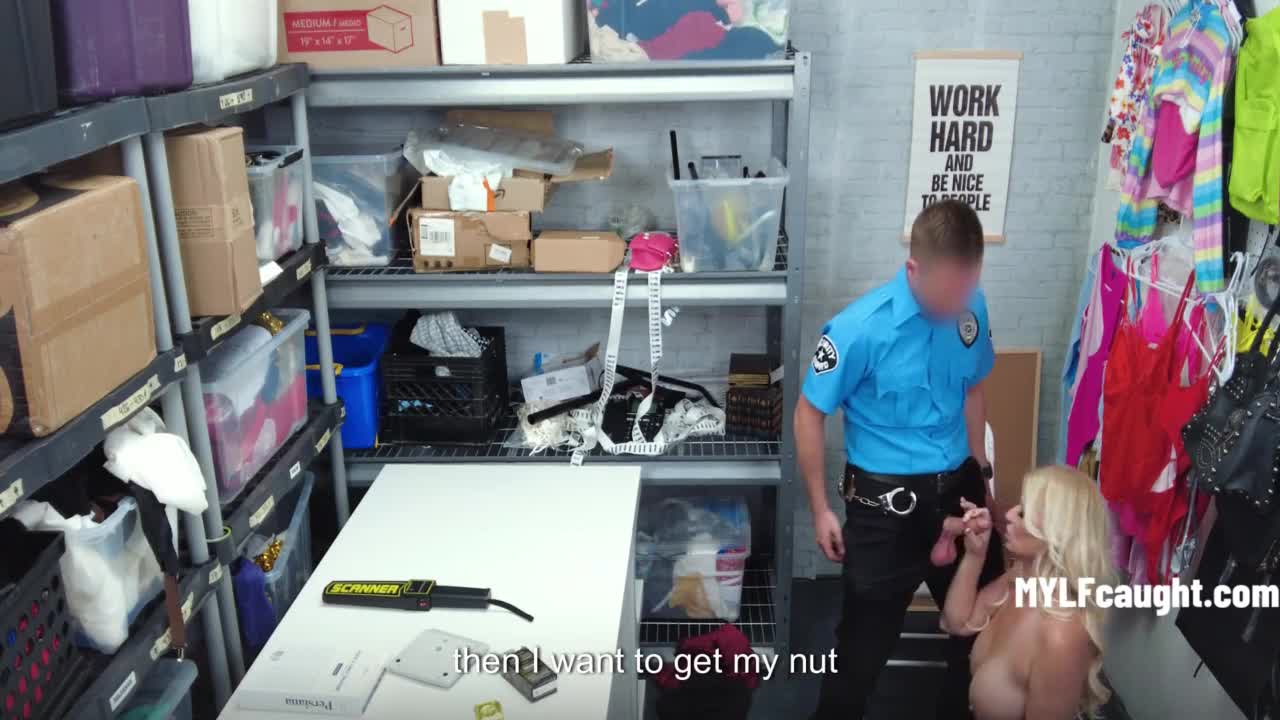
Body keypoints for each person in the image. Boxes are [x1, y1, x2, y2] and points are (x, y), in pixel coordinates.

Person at [796, 199, 1006, 719]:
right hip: (885, 508)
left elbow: (973, 390)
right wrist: (820, 509)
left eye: (967, 288)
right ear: (914, 269)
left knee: (981, 633)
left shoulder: (972, 310)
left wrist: (982, 473)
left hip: (960, 493)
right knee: (860, 653)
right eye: (948, 292)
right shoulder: (858, 329)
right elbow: (808, 413)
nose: (958, 303)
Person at [942, 466, 1116, 720]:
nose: (1009, 514)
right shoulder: (1018, 581)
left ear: (1056, 533)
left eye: (1023, 512)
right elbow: (955, 623)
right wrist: (975, 555)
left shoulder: (1061, 634)